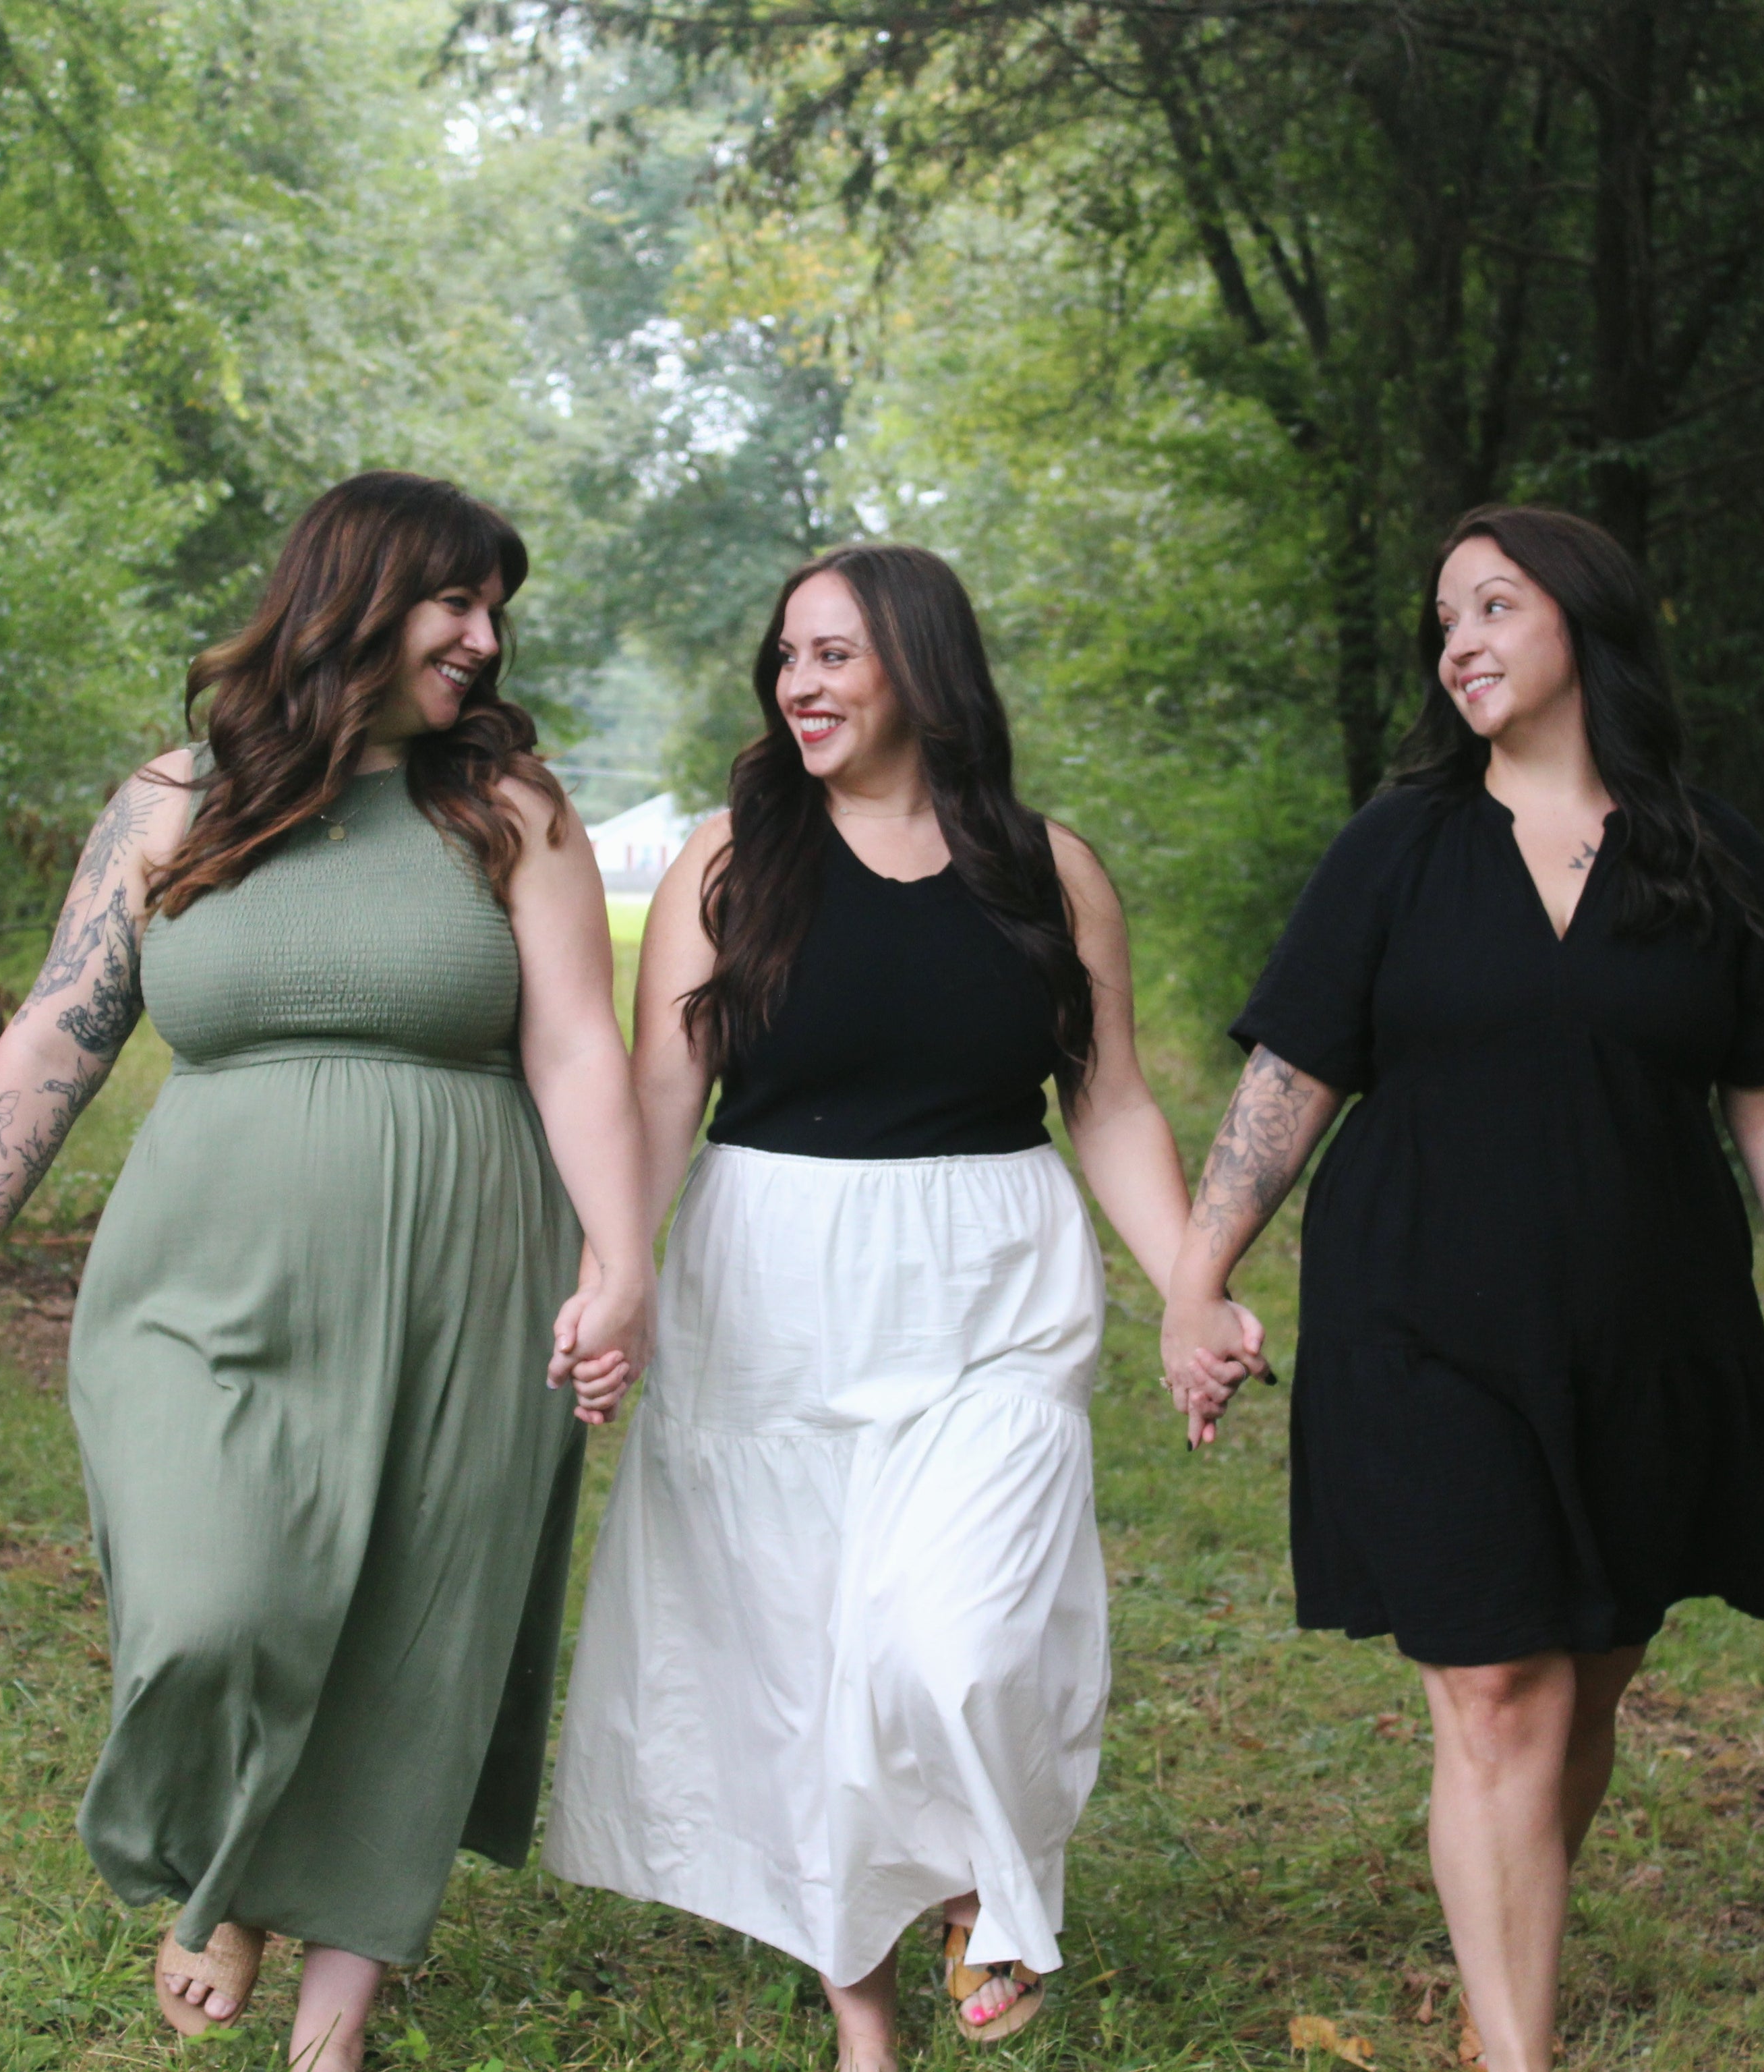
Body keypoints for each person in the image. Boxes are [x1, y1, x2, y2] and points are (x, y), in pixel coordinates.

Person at [0, 471, 653, 2072]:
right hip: (196, 1274)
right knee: (212, 1605)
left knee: (415, 1619)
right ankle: (220, 1859)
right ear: (359, 596)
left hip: (464, 1266)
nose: (485, 638)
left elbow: (581, 1046)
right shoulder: (176, 797)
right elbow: (60, 1026)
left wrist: (621, 1259)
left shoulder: (510, 807)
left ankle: (336, 2018)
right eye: (458, 602)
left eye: (496, 608)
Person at [1161, 505, 1764, 2072]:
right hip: (1421, 1319)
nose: (1461, 641)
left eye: (1494, 606)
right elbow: (1295, 1073)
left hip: (1648, 1327)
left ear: (1586, 618)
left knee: (1591, 1671)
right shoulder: (1400, 846)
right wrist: (1195, 1276)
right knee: (1496, 1684)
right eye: (1445, 619)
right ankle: (1518, 2053)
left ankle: (1507, 1978)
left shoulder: (1706, 847)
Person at [541, 543, 1212, 2071]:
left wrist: (1189, 1283)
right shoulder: (735, 860)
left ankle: (989, 1873)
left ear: (923, 663)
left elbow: (1106, 1105)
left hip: (991, 1282)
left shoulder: (1051, 869)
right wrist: (617, 1270)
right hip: (769, 1288)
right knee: (797, 1657)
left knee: (954, 1641)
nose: (800, 683)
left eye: (834, 652)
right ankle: (863, 2013)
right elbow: (664, 1086)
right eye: (787, 657)